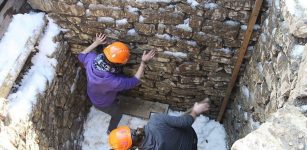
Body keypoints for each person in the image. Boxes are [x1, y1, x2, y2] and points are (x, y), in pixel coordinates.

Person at [78, 33, 155, 133]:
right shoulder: (113, 82)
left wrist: (96, 43)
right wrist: (143, 63)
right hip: (103, 103)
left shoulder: (92, 59)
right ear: (117, 64)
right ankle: (111, 130)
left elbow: (81, 56)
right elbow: (134, 81)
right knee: (118, 114)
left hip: (93, 93)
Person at [108, 99, 210, 150]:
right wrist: (195, 111)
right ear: (130, 130)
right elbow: (185, 123)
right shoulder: (156, 120)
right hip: (191, 136)